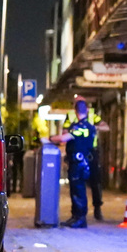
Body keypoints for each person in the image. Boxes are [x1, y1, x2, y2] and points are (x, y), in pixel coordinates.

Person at [49, 97, 98, 229]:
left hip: (78, 162)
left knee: (78, 191)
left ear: (76, 112)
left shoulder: (78, 127)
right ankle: (75, 217)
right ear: (87, 111)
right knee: (76, 190)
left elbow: (64, 138)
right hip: (83, 161)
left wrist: (49, 139)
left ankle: (80, 218)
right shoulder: (91, 127)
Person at [64, 101, 109, 220]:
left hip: (90, 153)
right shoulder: (70, 116)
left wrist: (93, 127)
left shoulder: (93, 116)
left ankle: (95, 209)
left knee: (94, 182)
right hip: (78, 151)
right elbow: (65, 131)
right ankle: (78, 213)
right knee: (78, 184)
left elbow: (106, 127)